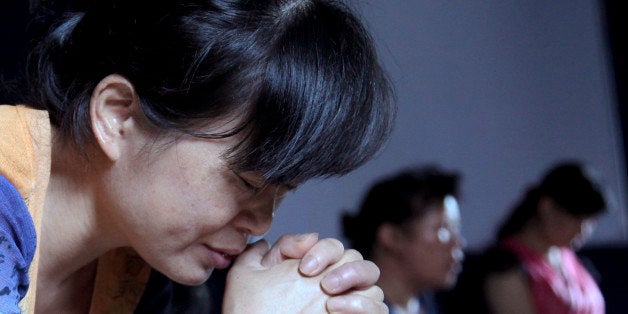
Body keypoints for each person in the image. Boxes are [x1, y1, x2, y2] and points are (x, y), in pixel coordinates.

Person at [0, 0, 396, 312]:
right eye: (248, 181)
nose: (262, 222)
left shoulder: (136, 262)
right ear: (117, 116)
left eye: (283, 191)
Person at [482, 161, 607, 314]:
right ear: (546, 207)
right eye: (576, 218)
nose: (582, 230)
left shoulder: (569, 259)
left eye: (589, 221)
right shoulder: (506, 267)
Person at [342, 166, 465, 314]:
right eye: (442, 229)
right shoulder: (351, 307)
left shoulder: (432, 305)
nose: (458, 243)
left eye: (455, 230)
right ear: (391, 237)